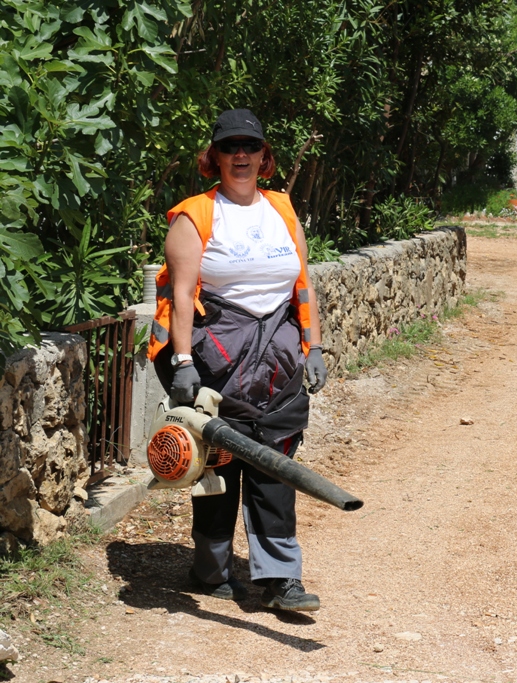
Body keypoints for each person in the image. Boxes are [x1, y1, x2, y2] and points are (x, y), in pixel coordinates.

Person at [146, 108, 329, 611]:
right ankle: (211, 570)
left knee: (276, 466)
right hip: (215, 356)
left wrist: (313, 346)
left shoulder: (283, 210)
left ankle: (280, 579)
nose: (241, 155)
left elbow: (302, 284)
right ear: (216, 157)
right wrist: (182, 363)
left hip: (278, 360)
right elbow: (182, 295)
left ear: (265, 156)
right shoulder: (195, 215)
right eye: (230, 147)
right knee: (219, 465)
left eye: (251, 146)